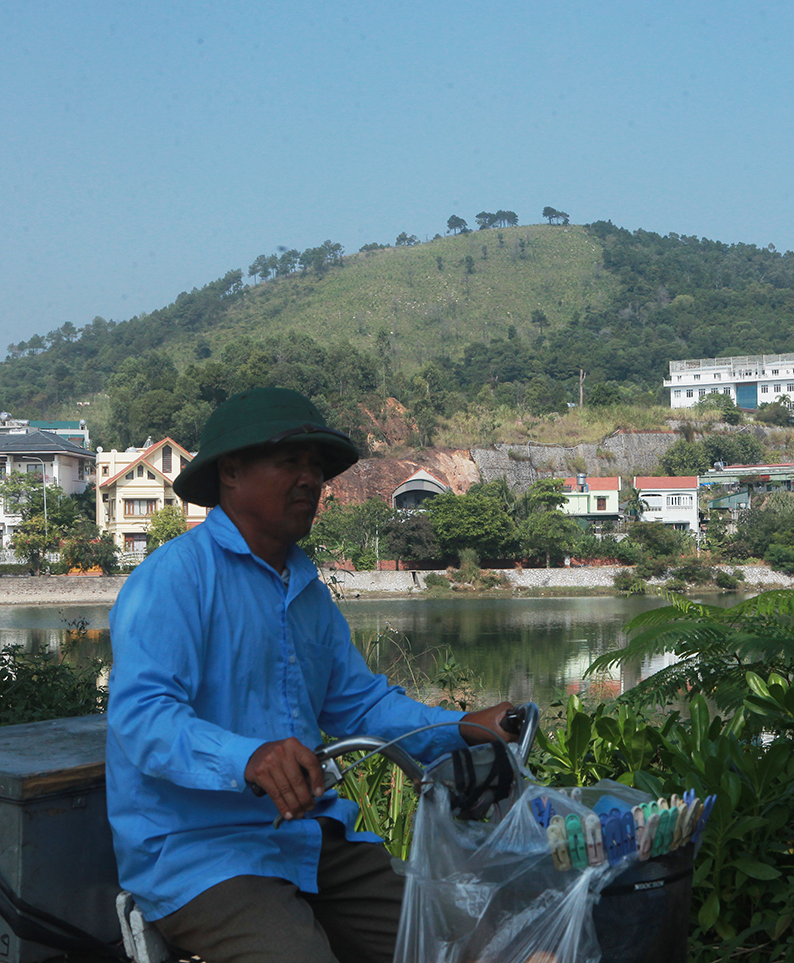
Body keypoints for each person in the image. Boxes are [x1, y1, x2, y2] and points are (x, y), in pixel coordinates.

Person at [106, 387, 517, 963]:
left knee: (472, 942)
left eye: (316, 468)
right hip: (200, 854)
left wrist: (462, 728)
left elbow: (362, 706)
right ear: (231, 472)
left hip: (309, 837)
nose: (309, 480)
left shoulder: (305, 590)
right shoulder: (174, 579)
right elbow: (143, 717)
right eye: (289, 461)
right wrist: (248, 758)